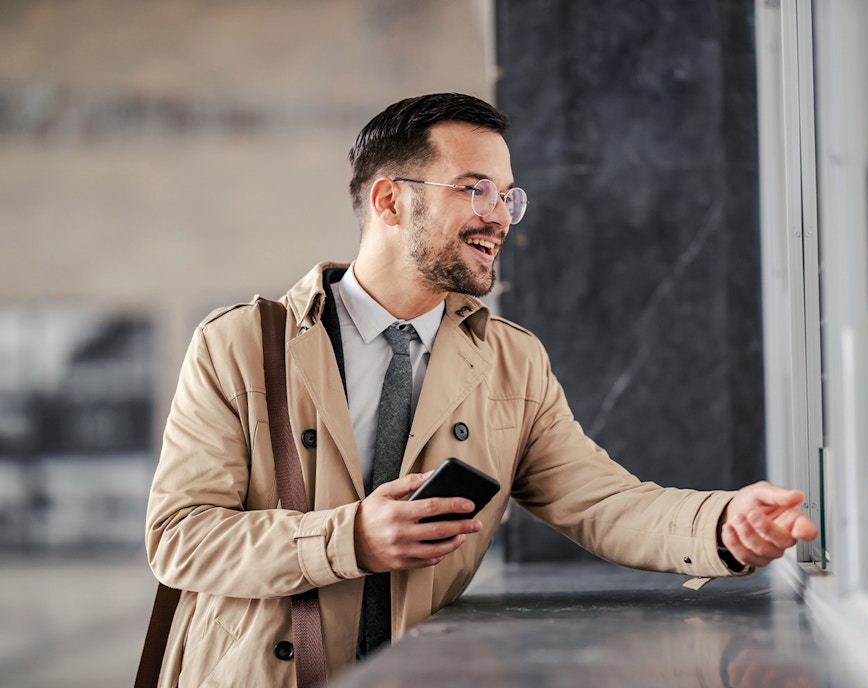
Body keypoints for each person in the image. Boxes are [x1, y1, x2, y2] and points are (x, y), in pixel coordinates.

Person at [145, 92, 818, 686]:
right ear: (388, 200)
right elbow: (178, 537)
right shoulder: (239, 344)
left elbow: (604, 503)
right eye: (474, 189)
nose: (501, 217)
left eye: (507, 195)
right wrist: (349, 538)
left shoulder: (513, 361)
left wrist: (724, 526)